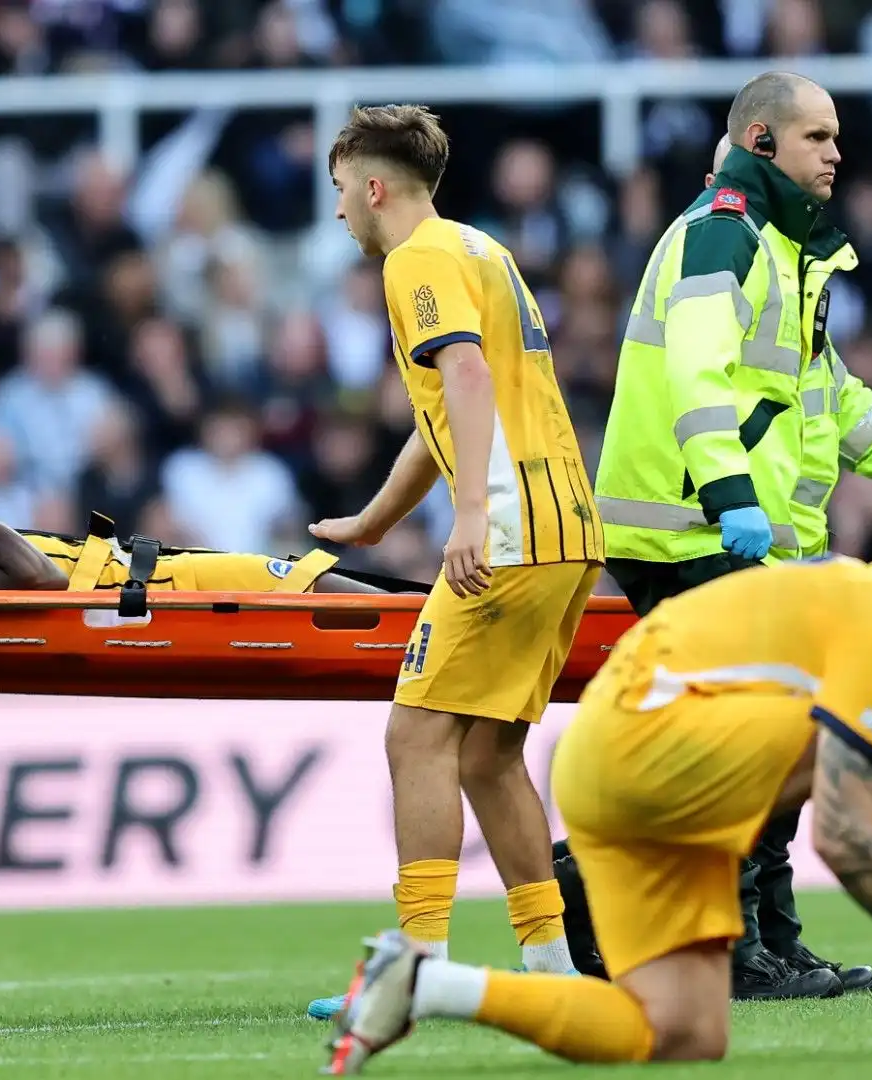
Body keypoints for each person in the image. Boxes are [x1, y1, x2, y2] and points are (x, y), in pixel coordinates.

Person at [322, 553, 872, 1073]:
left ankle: (422, 984)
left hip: (653, 781)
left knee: (684, 1032)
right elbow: (843, 831)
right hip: (647, 740)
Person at [588, 74, 872, 1000]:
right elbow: (698, 372)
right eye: (818, 136)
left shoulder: (783, 246)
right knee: (752, 742)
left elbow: (828, 393)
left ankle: (766, 937)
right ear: (760, 141)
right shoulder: (721, 233)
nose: (836, 152)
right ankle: (724, 943)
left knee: (774, 737)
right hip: (688, 525)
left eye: (837, 137)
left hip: (742, 533)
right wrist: (728, 493)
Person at [305, 105, 606, 1022]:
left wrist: (470, 514)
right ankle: (551, 961)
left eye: (340, 195)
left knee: (416, 736)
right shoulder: (480, 249)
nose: (340, 216)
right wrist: (373, 518)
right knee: (486, 753)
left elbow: (468, 379)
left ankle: (417, 964)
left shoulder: (415, 262)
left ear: (372, 184)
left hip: (509, 532)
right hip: (567, 532)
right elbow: (446, 406)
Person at [0, 428, 408, 595]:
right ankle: (435, 622)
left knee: (303, 574)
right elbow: (39, 580)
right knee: (302, 579)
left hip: (131, 565)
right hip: (129, 587)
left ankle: (432, 612)